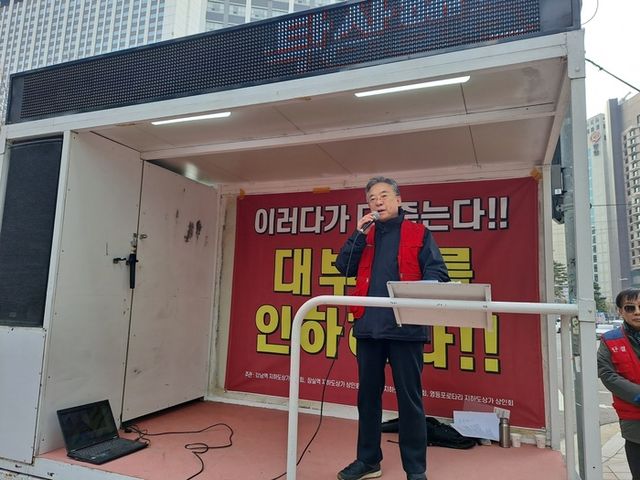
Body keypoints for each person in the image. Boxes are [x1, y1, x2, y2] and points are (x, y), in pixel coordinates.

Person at [335, 177, 449, 480]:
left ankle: (415, 469)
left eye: (384, 195)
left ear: (399, 200)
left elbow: (438, 272)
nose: (378, 201)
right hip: (369, 328)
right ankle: (368, 460)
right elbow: (343, 266)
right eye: (372, 198)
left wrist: (423, 289)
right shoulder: (366, 236)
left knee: (409, 399)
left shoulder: (419, 233)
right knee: (367, 398)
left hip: (405, 328)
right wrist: (358, 234)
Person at [598, 288, 640, 480]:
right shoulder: (609, 340)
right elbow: (607, 375)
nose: (637, 312)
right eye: (630, 308)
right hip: (634, 420)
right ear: (620, 311)